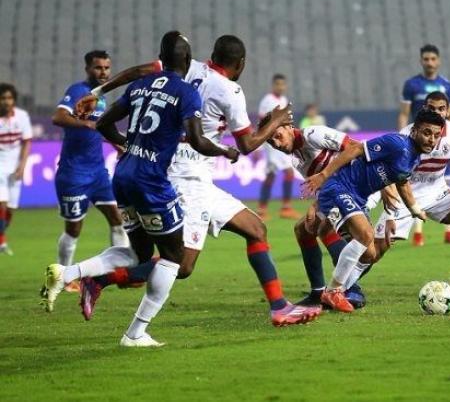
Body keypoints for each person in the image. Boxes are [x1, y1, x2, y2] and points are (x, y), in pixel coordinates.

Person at [67, 35, 322, 328]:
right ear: (240, 63)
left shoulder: (187, 68)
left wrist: (98, 91)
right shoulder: (230, 90)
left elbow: (138, 72)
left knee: (255, 229)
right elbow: (247, 144)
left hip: (189, 175)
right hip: (187, 180)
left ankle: (279, 307)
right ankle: (100, 280)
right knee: (182, 264)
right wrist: (276, 121)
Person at [40, 31, 241, 346]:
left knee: (138, 253)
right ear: (188, 60)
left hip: (122, 176)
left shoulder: (140, 85)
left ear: (161, 59)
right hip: (151, 182)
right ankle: (135, 333)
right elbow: (198, 141)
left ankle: (66, 273)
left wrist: (128, 145)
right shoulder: (187, 93)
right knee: (173, 258)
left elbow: (103, 123)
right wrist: (226, 151)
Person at [303, 109, 447, 312]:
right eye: (427, 132)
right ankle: (333, 291)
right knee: (366, 234)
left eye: (436, 135)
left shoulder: (414, 158)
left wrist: (414, 209)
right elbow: (355, 149)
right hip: (339, 187)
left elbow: (402, 182)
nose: (431, 139)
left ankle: (335, 292)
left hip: (358, 198)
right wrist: (323, 175)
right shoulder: (397, 143)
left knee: (369, 254)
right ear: (414, 130)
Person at [369, 92, 450, 292]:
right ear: (424, 109)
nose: (437, 112)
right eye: (432, 108)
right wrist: (389, 201)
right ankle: (344, 286)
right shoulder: (408, 134)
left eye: (441, 108)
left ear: (448, 111)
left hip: (437, 192)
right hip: (405, 194)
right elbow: (389, 168)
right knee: (375, 250)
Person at [260, 116, 375, 308]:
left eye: (278, 136)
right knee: (305, 229)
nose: (277, 144)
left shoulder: (314, 134)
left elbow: (356, 147)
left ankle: (349, 289)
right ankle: (319, 292)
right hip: (336, 192)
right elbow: (321, 185)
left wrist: (386, 186)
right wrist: (317, 203)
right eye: (271, 142)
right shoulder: (296, 158)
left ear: (288, 127)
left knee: (367, 252)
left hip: (357, 187)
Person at [51, 50, 129, 290]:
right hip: (74, 174)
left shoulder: (100, 97)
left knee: (117, 219)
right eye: (98, 67)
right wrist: (84, 122)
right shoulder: (78, 91)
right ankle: (63, 277)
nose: (103, 72)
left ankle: (122, 272)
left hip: (98, 173)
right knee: (73, 229)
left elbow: (98, 129)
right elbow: (58, 117)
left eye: (106, 67)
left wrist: (116, 143)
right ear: (88, 69)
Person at [398, 44, 450, 246]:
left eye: (433, 59)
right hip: (419, 142)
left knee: (445, 182)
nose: (430, 62)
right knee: (417, 184)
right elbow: (404, 114)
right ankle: (418, 233)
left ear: (438, 61)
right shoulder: (411, 85)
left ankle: (449, 232)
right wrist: (402, 140)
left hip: (442, 140)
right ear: (421, 61)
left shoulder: (447, 86)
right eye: (426, 59)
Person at [256, 74, 300, 220]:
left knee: (275, 174)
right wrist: (258, 146)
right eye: (278, 84)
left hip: (281, 140)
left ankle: (266, 209)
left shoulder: (284, 100)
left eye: (283, 84)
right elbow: (261, 123)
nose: (280, 87)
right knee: (284, 172)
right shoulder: (267, 100)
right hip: (272, 142)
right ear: (273, 85)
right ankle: (280, 209)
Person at [0, 83, 32, 256]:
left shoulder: (22, 116)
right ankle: (2, 242)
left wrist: (22, 165)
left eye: (9, 98)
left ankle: (1, 236)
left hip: (15, 167)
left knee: (11, 209)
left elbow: (27, 141)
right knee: (2, 204)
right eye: (3, 98)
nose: (7, 101)